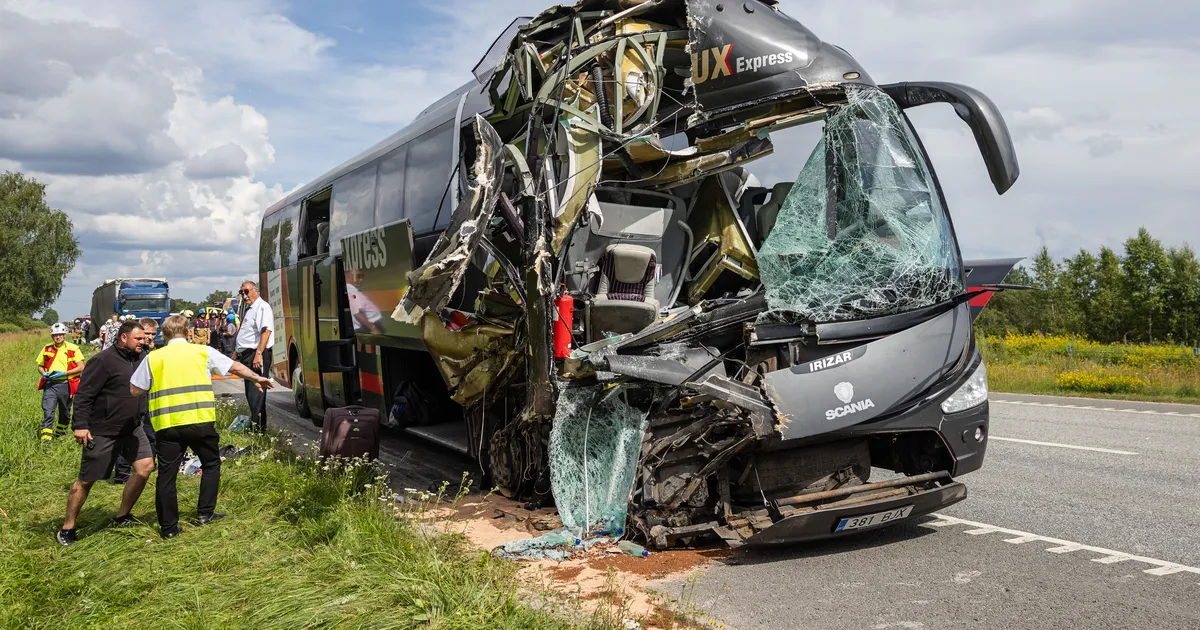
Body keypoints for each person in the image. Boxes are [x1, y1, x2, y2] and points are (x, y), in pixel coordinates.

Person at [129, 315, 272, 538]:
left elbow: (135, 389)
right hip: (200, 421)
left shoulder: (154, 358)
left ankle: (169, 528)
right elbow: (234, 366)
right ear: (188, 332)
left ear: (164, 335)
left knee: (166, 475)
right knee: (211, 464)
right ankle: (205, 513)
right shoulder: (203, 352)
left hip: (168, 425)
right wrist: (256, 378)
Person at [56, 321, 155, 546]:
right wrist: (80, 425)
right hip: (103, 431)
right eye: (138, 338)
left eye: (145, 338)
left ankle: (122, 516)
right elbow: (84, 395)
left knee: (145, 468)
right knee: (87, 480)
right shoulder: (102, 361)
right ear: (123, 337)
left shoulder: (142, 357)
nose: (144, 341)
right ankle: (68, 527)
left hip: (132, 428)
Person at [112, 317, 161, 484]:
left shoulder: (147, 352)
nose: (150, 337)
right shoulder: (131, 353)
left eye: (153, 334)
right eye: (147, 334)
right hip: (129, 402)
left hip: (146, 402)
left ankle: (147, 468)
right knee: (128, 437)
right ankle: (122, 475)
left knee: (150, 435)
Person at [235, 281, 274, 433]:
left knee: (256, 394)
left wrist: (258, 354)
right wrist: (237, 351)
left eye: (246, 291)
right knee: (251, 394)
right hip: (248, 354)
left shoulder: (262, 307)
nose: (244, 296)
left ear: (255, 290)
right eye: (241, 293)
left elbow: (266, 331)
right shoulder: (250, 309)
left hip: (255, 354)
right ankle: (255, 428)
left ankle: (258, 431)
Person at [36, 323, 86, 442]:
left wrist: (64, 373)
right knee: (48, 411)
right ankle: (45, 441)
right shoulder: (47, 348)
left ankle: (60, 435)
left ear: (64, 335)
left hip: (66, 385)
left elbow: (81, 367)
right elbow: (40, 366)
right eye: (55, 335)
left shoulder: (73, 348)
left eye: (60, 335)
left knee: (65, 413)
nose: (57, 337)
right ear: (52, 336)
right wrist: (43, 373)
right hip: (50, 385)